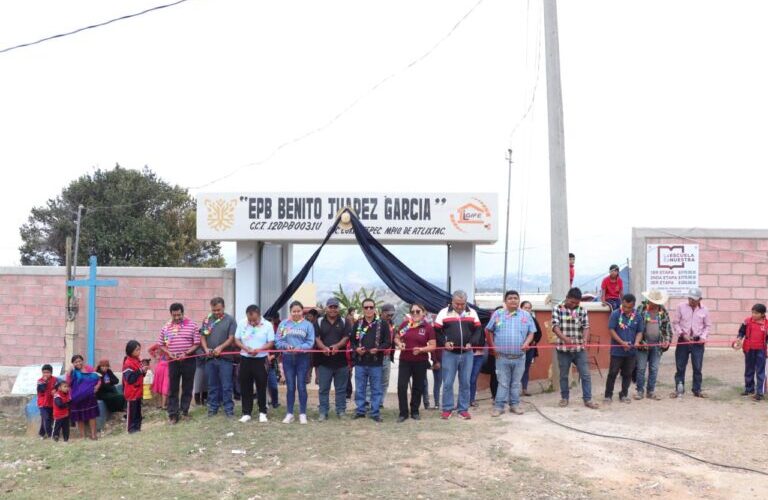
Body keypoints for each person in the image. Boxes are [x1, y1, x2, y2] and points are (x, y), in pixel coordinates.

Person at [486, 290, 536, 416]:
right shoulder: (498, 314)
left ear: (519, 300)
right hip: (501, 357)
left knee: (515, 383)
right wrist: (493, 348)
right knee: (502, 383)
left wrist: (527, 343)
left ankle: (515, 405)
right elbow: (488, 330)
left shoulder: (526, 315)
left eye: (515, 298)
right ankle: (499, 407)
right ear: (505, 301)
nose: (513, 300)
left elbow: (532, 332)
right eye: (510, 298)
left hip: (520, 357)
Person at [434, 290, 482, 420]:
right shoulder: (443, 312)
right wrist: (444, 342)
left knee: (465, 382)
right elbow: (437, 331)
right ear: (452, 301)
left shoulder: (472, 312)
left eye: (462, 304)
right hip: (449, 354)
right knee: (448, 382)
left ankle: (463, 409)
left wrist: (472, 343)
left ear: (466, 302)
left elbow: (478, 330)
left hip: (467, 354)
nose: (460, 307)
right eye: (457, 304)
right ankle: (447, 409)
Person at [551, 288, 600, 409]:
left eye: (577, 303)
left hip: (579, 349)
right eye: (572, 302)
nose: (574, 305)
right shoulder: (557, 308)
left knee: (585, 374)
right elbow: (555, 327)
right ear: (567, 297)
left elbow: (586, 327)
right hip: (563, 349)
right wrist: (565, 339)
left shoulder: (582, 310)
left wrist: (584, 338)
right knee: (563, 375)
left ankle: (588, 399)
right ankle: (564, 398)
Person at [351, 297, 392, 422]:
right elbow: (352, 341)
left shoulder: (382, 324)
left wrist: (378, 349)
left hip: (376, 362)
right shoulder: (358, 323)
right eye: (366, 307)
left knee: (376, 389)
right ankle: (360, 411)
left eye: (371, 307)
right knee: (360, 388)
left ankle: (375, 412)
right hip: (360, 362)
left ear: (375, 309)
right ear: (362, 309)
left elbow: (388, 342)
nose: (369, 309)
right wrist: (356, 349)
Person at [160, 302, 201, 423]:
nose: (177, 317)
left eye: (179, 315)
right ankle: (173, 414)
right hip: (173, 361)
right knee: (173, 388)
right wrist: (169, 353)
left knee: (187, 387)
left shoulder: (192, 325)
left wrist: (187, 353)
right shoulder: (166, 328)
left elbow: (197, 343)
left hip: (189, 360)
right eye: (174, 315)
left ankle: (184, 411)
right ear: (171, 314)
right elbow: (161, 345)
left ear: (183, 313)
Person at [394, 303, 436, 422]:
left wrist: (422, 349)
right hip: (405, 361)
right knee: (401, 386)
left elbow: (433, 346)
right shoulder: (405, 325)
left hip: (420, 362)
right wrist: (399, 343)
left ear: (423, 312)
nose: (415, 314)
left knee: (418, 387)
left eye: (418, 311)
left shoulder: (428, 327)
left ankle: (415, 411)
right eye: (413, 312)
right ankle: (403, 413)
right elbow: (397, 338)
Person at [276, 301, 315, 424]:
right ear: (290, 311)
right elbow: (278, 341)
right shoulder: (284, 324)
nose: (296, 313)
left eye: (299, 311)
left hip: (302, 359)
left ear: (302, 311)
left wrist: (300, 347)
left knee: (302, 387)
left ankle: (302, 414)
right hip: (288, 358)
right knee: (291, 387)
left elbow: (310, 342)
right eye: (294, 311)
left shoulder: (308, 325)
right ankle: (290, 413)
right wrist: (285, 346)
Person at [235, 304, 275, 423]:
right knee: (245, 386)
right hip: (245, 358)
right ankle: (246, 412)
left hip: (261, 359)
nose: (252, 322)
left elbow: (271, 342)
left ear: (259, 315)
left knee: (261, 386)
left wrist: (259, 350)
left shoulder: (267, 325)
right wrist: (244, 347)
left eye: (254, 320)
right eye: (250, 320)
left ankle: (262, 412)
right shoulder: (242, 323)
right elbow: (236, 339)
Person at [671, 287, 712, 398]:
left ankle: (697, 390)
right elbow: (675, 323)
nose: (691, 301)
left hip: (698, 342)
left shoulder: (705, 310)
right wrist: (682, 334)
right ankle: (679, 389)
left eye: (694, 299)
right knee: (680, 366)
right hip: (683, 341)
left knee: (697, 367)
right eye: (690, 298)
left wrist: (703, 337)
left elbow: (707, 326)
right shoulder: (680, 307)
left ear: (700, 299)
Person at [200, 297, 237, 417]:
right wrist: (206, 349)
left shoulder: (230, 320)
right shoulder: (207, 320)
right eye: (214, 310)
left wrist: (220, 348)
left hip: (225, 359)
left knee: (227, 385)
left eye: (218, 310)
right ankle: (213, 409)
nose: (216, 312)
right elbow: (203, 337)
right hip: (210, 359)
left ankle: (228, 409)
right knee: (212, 385)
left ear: (224, 307)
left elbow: (231, 338)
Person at [315, 298, 351, 421]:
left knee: (341, 389)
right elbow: (316, 338)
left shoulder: (345, 321)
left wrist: (337, 346)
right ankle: (323, 412)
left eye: (335, 307)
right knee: (323, 389)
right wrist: (323, 347)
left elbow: (346, 337)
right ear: (326, 308)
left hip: (341, 362)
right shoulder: (319, 321)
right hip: (324, 363)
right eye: (331, 307)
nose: (333, 309)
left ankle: (341, 411)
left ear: (338, 308)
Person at [604, 294, 644, 404]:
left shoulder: (638, 316)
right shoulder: (615, 314)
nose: (626, 309)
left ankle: (624, 394)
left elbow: (640, 332)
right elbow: (611, 330)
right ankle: (608, 395)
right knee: (612, 373)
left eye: (629, 307)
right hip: (617, 351)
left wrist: (636, 342)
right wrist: (622, 343)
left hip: (631, 352)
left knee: (628, 374)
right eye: (624, 306)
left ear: (633, 305)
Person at [634, 290, 672, 400]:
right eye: (652, 301)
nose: (653, 304)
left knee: (654, 368)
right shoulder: (641, 309)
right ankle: (640, 391)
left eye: (656, 302)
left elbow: (667, 328)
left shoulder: (662, 310)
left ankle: (650, 391)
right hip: (643, 344)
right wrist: (637, 341)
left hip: (657, 345)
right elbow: (635, 326)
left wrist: (667, 340)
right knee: (641, 368)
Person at [734, 303, 767, 401]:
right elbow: (741, 332)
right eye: (752, 312)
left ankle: (759, 393)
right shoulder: (747, 322)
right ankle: (749, 389)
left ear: (762, 314)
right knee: (749, 369)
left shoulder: (766, 324)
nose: (753, 315)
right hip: (748, 349)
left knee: (760, 371)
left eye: (756, 313)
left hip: (761, 350)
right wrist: (739, 339)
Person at [67, 354, 101, 440]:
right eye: (76, 362)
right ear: (73, 363)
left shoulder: (88, 368)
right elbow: (67, 383)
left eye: (79, 361)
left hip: (89, 397)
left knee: (91, 415)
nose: (78, 363)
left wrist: (97, 387)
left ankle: (94, 435)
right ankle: (82, 436)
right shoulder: (72, 372)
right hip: (77, 398)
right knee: (79, 417)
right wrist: (69, 371)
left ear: (82, 361)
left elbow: (97, 378)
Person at [122, 340, 148, 434]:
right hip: (131, 393)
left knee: (138, 412)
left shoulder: (138, 360)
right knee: (131, 413)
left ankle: (137, 428)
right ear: (130, 351)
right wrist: (140, 371)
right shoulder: (128, 363)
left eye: (139, 350)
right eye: (137, 350)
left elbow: (141, 375)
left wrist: (144, 371)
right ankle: (131, 429)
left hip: (138, 392)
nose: (139, 352)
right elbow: (130, 379)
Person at [520, 301, 542, 396]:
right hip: (517, 348)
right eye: (526, 307)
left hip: (529, 349)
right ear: (521, 308)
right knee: (515, 368)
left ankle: (524, 389)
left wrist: (532, 342)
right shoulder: (516, 318)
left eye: (529, 308)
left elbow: (539, 333)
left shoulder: (533, 320)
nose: (528, 310)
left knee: (526, 368)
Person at [36, 364, 55, 439]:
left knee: (48, 419)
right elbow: (41, 389)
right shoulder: (40, 381)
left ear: (51, 373)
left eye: (48, 372)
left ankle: (42, 434)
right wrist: (45, 381)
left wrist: (55, 390)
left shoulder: (55, 379)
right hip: (42, 404)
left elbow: (58, 387)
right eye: (44, 372)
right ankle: (51, 435)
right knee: (46, 418)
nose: (46, 374)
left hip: (51, 403)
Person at [148, 343, 169, 409]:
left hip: (165, 368)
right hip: (162, 368)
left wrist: (156, 355)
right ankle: (161, 405)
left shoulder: (164, 345)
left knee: (163, 385)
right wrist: (155, 355)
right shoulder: (161, 345)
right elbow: (150, 350)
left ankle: (162, 404)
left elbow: (150, 350)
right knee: (161, 386)